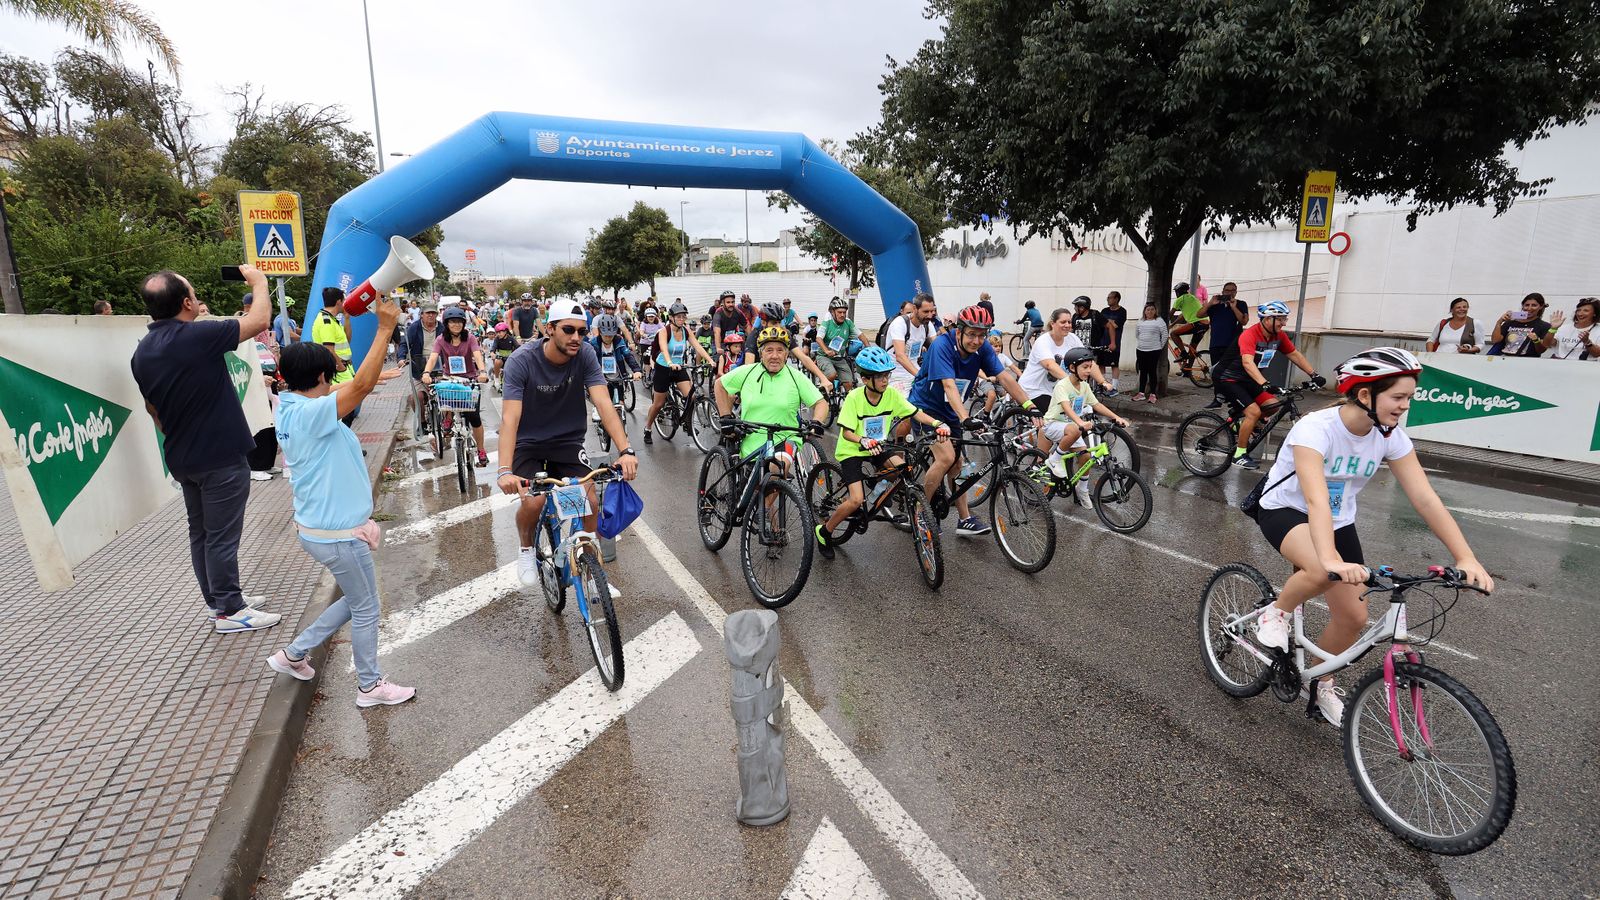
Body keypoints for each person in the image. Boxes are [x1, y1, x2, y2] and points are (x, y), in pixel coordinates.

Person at [1252, 348, 1494, 726]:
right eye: (1398, 397)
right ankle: (1276, 611)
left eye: (1409, 398)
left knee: (1354, 616)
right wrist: (1330, 560)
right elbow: (1315, 498)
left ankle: (1320, 685)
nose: (1404, 407)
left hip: (1338, 521)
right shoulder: (1316, 428)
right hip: (1286, 510)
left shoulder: (1389, 435)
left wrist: (1467, 557)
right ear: (1366, 395)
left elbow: (1425, 498)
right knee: (1319, 570)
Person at [266, 297, 414, 707]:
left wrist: (376, 377)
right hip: (338, 536)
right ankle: (370, 686)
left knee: (355, 601)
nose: (335, 383)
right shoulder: (311, 414)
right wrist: (385, 329)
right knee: (367, 608)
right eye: (330, 377)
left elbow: (354, 386)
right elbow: (357, 388)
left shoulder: (292, 405)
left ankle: (293, 654)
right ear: (318, 376)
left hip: (322, 529)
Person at [131, 265, 280, 633]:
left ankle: (220, 601)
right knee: (221, 536)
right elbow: (260, 319)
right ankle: (230, 609)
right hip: (220, 457)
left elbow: (154, 410)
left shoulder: (143, 351)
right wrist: (259, 282)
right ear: (186, 303)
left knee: (201, 533)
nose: (198, 299)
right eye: (193, 293)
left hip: (183, 457)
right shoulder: (198, 336)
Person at [499, 300, 637, 588]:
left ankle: (590, 573)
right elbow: (510, 419)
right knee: (534, 501)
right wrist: (503, 470)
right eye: (568, 330)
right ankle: (526, 549)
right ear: (549, 329)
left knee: (590, 502)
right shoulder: (521, 361)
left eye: (582, 331)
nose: (576, 337)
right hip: (528, 443)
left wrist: (625, 450)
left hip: (567, 440)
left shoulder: (585, 354)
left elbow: (603, 401)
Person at [907, 305, 1037, 536]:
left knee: (957, 465)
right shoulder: (941, 346)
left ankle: (964, 519)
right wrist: (966, 417)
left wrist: (1029, 405)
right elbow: (948, 384)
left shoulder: (983, 348)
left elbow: (1004, 377)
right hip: (926, 408)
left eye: (981, 335)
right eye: (971, 334)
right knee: (946, 457)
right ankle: (921, 512)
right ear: (959, 332)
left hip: (951, 411)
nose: (976, 340)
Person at [814, 345, 949, 560]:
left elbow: (916, 413)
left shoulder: (891, 395)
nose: (886, 380)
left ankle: (876, 484)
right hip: (852, 450)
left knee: (900, 468)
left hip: (877, 447)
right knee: (856, 500)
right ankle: (825, 531)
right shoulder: (854, 398)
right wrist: (863, 440)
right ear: (866, 379)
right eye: (880, 377)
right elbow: (847, 432)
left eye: (887, 375)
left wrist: (937, 423)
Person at [714, 325, 830, 491]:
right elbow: (720, 385)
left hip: (784, 439)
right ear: (761, 353)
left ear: (786, 354)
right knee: (746, 499)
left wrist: (816, 422)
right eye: (769, 350)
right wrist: (725, 417)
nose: (774, 356)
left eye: (780, 350)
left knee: (779, 467)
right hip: (751, 440)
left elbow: (821, 403)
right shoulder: (748, 372)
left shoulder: (795, 376)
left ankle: (766, 513)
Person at [1214, 301, 1325, 470]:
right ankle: (1239, 454)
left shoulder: (1278, 336)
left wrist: (1314, 374)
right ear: (1267, 319)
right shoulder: (1249, 335)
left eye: (1284, 319)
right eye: (1280, 319)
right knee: (1253, 412)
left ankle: (1239, 425)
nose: (1284, 323)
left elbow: (1294, 354)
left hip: (1248, 379)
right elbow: (1247, 362)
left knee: (1273, 405)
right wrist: (1265, 383)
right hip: (1228, 378)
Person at [1038, 347, 1131, 505]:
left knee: (1086, 457)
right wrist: (1080, 422)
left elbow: (1096, 405)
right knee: (1074, 429)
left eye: (1090, 367)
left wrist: (1116, 417)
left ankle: (1082, 490)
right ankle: (1054, 460)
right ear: (1073, 368)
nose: (1089, 371)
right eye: (1085, 367)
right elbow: (1066, 407)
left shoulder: (1085, 387)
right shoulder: (1063, 385)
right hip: (1053, 425)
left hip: (1071, 429)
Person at [421, 306, 492, 467]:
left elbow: (477, 356)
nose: (456, 325)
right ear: (446, 324)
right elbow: (433, 358)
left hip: (469, 380)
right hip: (449, 378)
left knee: (474, 418)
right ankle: (447, 417)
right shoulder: (441, 339)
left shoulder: (470, 338)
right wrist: (426, 373)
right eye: (452, 322)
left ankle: (481, 450)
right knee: (444, 394)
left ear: (463, 323)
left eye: (459, 322)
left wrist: (482, 372)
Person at [643, 301, 717, 444]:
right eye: (679, 317)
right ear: (671, 317)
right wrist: (670, 362)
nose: (682, 319)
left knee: (692, 397)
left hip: (679, 367)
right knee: (658, 404)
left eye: (684, 317)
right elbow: (664, 348)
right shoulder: (664, 331)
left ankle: (687, 425)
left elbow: (697, 346)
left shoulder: (686, 330)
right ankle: (648, 428)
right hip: (664, 367)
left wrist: (710, 360)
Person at [1015, 306, 1114, 410]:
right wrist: (1072, 383)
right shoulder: (1043, 341)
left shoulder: (1073, 339)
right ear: (1053, 324)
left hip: (1056, 390)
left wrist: (1103, 382)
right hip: (1034, 390)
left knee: (1082, 411)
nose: (1067, 325)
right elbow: (1050, 365)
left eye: (1069, 322)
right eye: (1063, 322)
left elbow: (1088, 362)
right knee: (1053, 419)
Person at [239, 293, 283, 481]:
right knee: (258, 423)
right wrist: (257, 378)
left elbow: (270, 353)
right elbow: (242, 358)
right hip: (253, 381)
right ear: (249, 307)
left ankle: (267, 462)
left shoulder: (264, 328)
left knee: (271, 423)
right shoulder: (243, 326)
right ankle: (254, 466)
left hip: (269, 379)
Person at [312, 287, 358, 426]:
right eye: (344, 301)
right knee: (346, 408)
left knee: (349, 407)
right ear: (339, 302)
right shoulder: (326, 322)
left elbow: (347, 340)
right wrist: (342, 368)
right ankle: (344, 444)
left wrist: (347, 319)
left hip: (344, 368)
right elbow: (329, 350)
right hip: (338, 371)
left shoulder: (332, 320)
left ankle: (346, 443)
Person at [1201, 281, 1249, 407]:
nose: (1230, 293)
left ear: (1236, 292)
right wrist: (1210, 303)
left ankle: (1234, 399)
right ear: (1222, 291)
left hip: (1233, 345)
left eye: (1233, 290)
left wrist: (1233, 307)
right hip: (1216, 343)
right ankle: (1218, 399)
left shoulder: (1241, 304)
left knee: (1232, 373)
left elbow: (1244, 321)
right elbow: (1199, 314)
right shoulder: (1215, 305)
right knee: (1217, 373)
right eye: (1227, 290)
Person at [885, 293, 939, 396]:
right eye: (925, 312)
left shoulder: (927, 325)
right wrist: (919, 376)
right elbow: (900, 356)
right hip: (896, 375)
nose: (929, 315)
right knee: (906, 407)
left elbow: (938, 348)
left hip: (915, 371)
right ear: (914, 308)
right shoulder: (900, 323)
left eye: (932, 311)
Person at [589, 313, 643, 417]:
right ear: (600, 331)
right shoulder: (594, 344)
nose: (608, 338)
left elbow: (628, 356)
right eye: (606, 335)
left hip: (618, 377)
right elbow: (591, 363)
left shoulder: (619, 341)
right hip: (602, 379)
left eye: (611, 335)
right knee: (605, 407)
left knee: (620, 406)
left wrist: (637, 370)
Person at [400, 298, 441, 433]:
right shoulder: (414, 327)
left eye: (433, 313)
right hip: (419, 367)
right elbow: (404, 343)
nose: (430, 315)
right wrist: (401, 358)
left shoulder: (443, 328)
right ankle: (422, 422)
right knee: (416, 397)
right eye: (427, 313)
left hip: (440, 366)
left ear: (437, 314)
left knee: (447, 395)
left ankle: (448, 423)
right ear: (421, 314)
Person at [817, 297, 864, 390]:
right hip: (824, 357)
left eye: (844, 312)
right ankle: (821, 392)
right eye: (839, 312)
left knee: (849, 384)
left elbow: (861, 335)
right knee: (831, 374)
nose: (842, 315)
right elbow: (818, 338)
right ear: (832, 312)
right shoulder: (827, 322)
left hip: (840, 358)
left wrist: (869, 348)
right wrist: (826, 351)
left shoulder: (848, 322)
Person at [1487, 292, 1552, 357]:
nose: (1529, 308)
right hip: (1504, 360)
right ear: (1522, 306)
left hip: (1527, 362)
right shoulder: (1510, 323)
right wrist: (1499, 322)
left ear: (1540, 306)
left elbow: (1541, 350)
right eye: (1527, 305)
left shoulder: (1544, 326)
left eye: (1534, 305)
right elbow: (1495, 340)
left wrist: (1536, 340)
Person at [976, 331, 1022, 413]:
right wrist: (987, 378)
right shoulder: (984, 357)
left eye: (1000, 346)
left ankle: (1000, 414)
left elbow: (1014, 368)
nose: (998, 348)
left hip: (998, 381)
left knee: (1009, 396)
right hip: (986, 380)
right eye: (995, 346)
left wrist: (1023, 377)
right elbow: (978, 370)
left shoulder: (1002, 357)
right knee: (992, 395)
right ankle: (986, 416)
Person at [1132, 303, 1169, 403]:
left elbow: (1165, 335)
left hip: (1154, 351)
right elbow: (1137, 334)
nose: (1150, 311)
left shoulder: (1159, 321)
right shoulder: (1140, 321)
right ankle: (1141, 393)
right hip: (1141, 350)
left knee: (1152, 372)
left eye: (1152, 309)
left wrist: (1159, 346)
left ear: (1155, 311)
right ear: (1144, 311)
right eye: (1148, 309)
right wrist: (1143, 343)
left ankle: (1153, 394)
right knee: (1142, 372)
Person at [1168, 281, 1209, 360]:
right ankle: (1187, 371)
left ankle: (1183, 353)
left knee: (1173, 334)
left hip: (1197, 324)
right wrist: (1172, 324)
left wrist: (1163, 324)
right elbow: (1183, 315)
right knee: (1192, 350)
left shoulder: (1180, 299)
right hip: (1205, 324)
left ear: (1178, 292)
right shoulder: (1192, 298)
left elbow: (1170, 314)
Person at [1098, 291, 1128, 388]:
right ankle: (1104, 385)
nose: (1108, 299)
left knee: (1114, 364)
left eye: (1110, 298)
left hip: (1114, 342)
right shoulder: (1104, 311)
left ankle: (1114, 386)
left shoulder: (1122, 311)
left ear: (1116, 299)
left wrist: (1108, 322)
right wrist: (1110, 322)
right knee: (1101, 364)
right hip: (1102, 341)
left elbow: (1115, 325)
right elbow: (1101, 324)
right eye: (1107, 298)